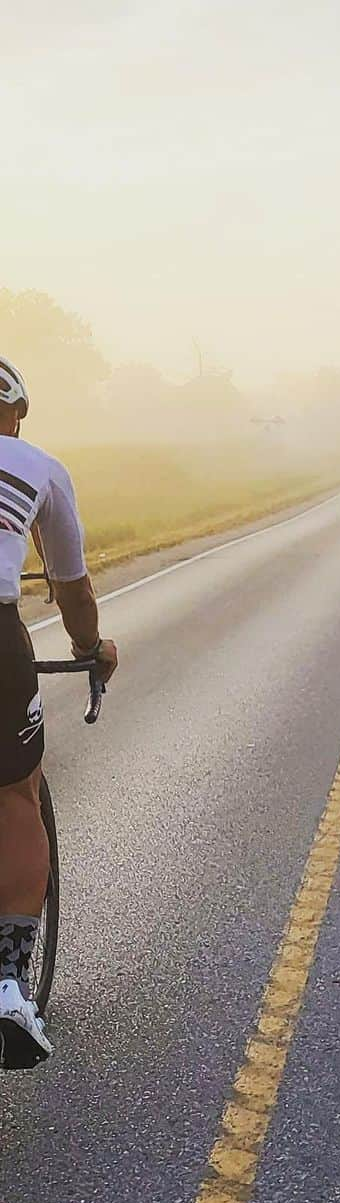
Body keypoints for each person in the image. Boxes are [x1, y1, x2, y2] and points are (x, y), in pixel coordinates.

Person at [0, 357, 118, 1069]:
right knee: (17, 791)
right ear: (13, 412)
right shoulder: (36, 465)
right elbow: (71, 587)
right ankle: (9, 984)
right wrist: (90, 648)